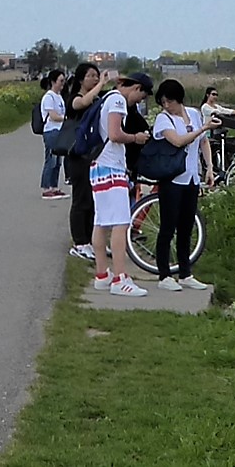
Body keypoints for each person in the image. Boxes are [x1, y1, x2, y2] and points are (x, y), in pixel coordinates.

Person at [88, 71, 154, 296]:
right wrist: (135, 138)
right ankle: (119, 278)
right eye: (141, 97)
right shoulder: (117, 101)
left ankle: (102, 274)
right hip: (111, 167)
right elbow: (115, 134)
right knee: (120, 222)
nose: (139, 102)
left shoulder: (106, 98)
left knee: (101, 221)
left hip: (98, 166)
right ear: (136, 89)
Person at [147, 79, 215, 291]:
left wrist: (210, 167)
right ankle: (164, 274)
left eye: (169, 101)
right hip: (172, 178)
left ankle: (185, 272)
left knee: (186, 227)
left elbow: (203, 141)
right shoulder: (163, 119)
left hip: (192, 177)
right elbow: (177, 140)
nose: (166, 105)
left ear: (178, 99)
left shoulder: (194, 114)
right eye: (163, 102)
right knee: (168, 227)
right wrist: (203, 128)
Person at [61, 63, 112, 261]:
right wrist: (101, 85)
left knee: (93, 200)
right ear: (81, 79)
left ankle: (92, 240)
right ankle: (79, 242)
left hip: (93, 154)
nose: (94, 79)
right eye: (91, 76)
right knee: (81, 198)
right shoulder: (75, 99)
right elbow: (81, 104)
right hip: (78, 154)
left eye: (96, 75)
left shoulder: (97, 98)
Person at [36, 69, 68, 199]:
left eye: (63, 81)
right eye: (60, 81)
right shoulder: (49, 97)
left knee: (58, 161)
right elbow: (53, 116)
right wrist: (66, 119)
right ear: (53, 81)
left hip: (59, 131)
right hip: (51, 131)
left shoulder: (59, 97)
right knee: (51, 160)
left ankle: (54, 186)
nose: (62, 84)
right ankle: (46, 187)